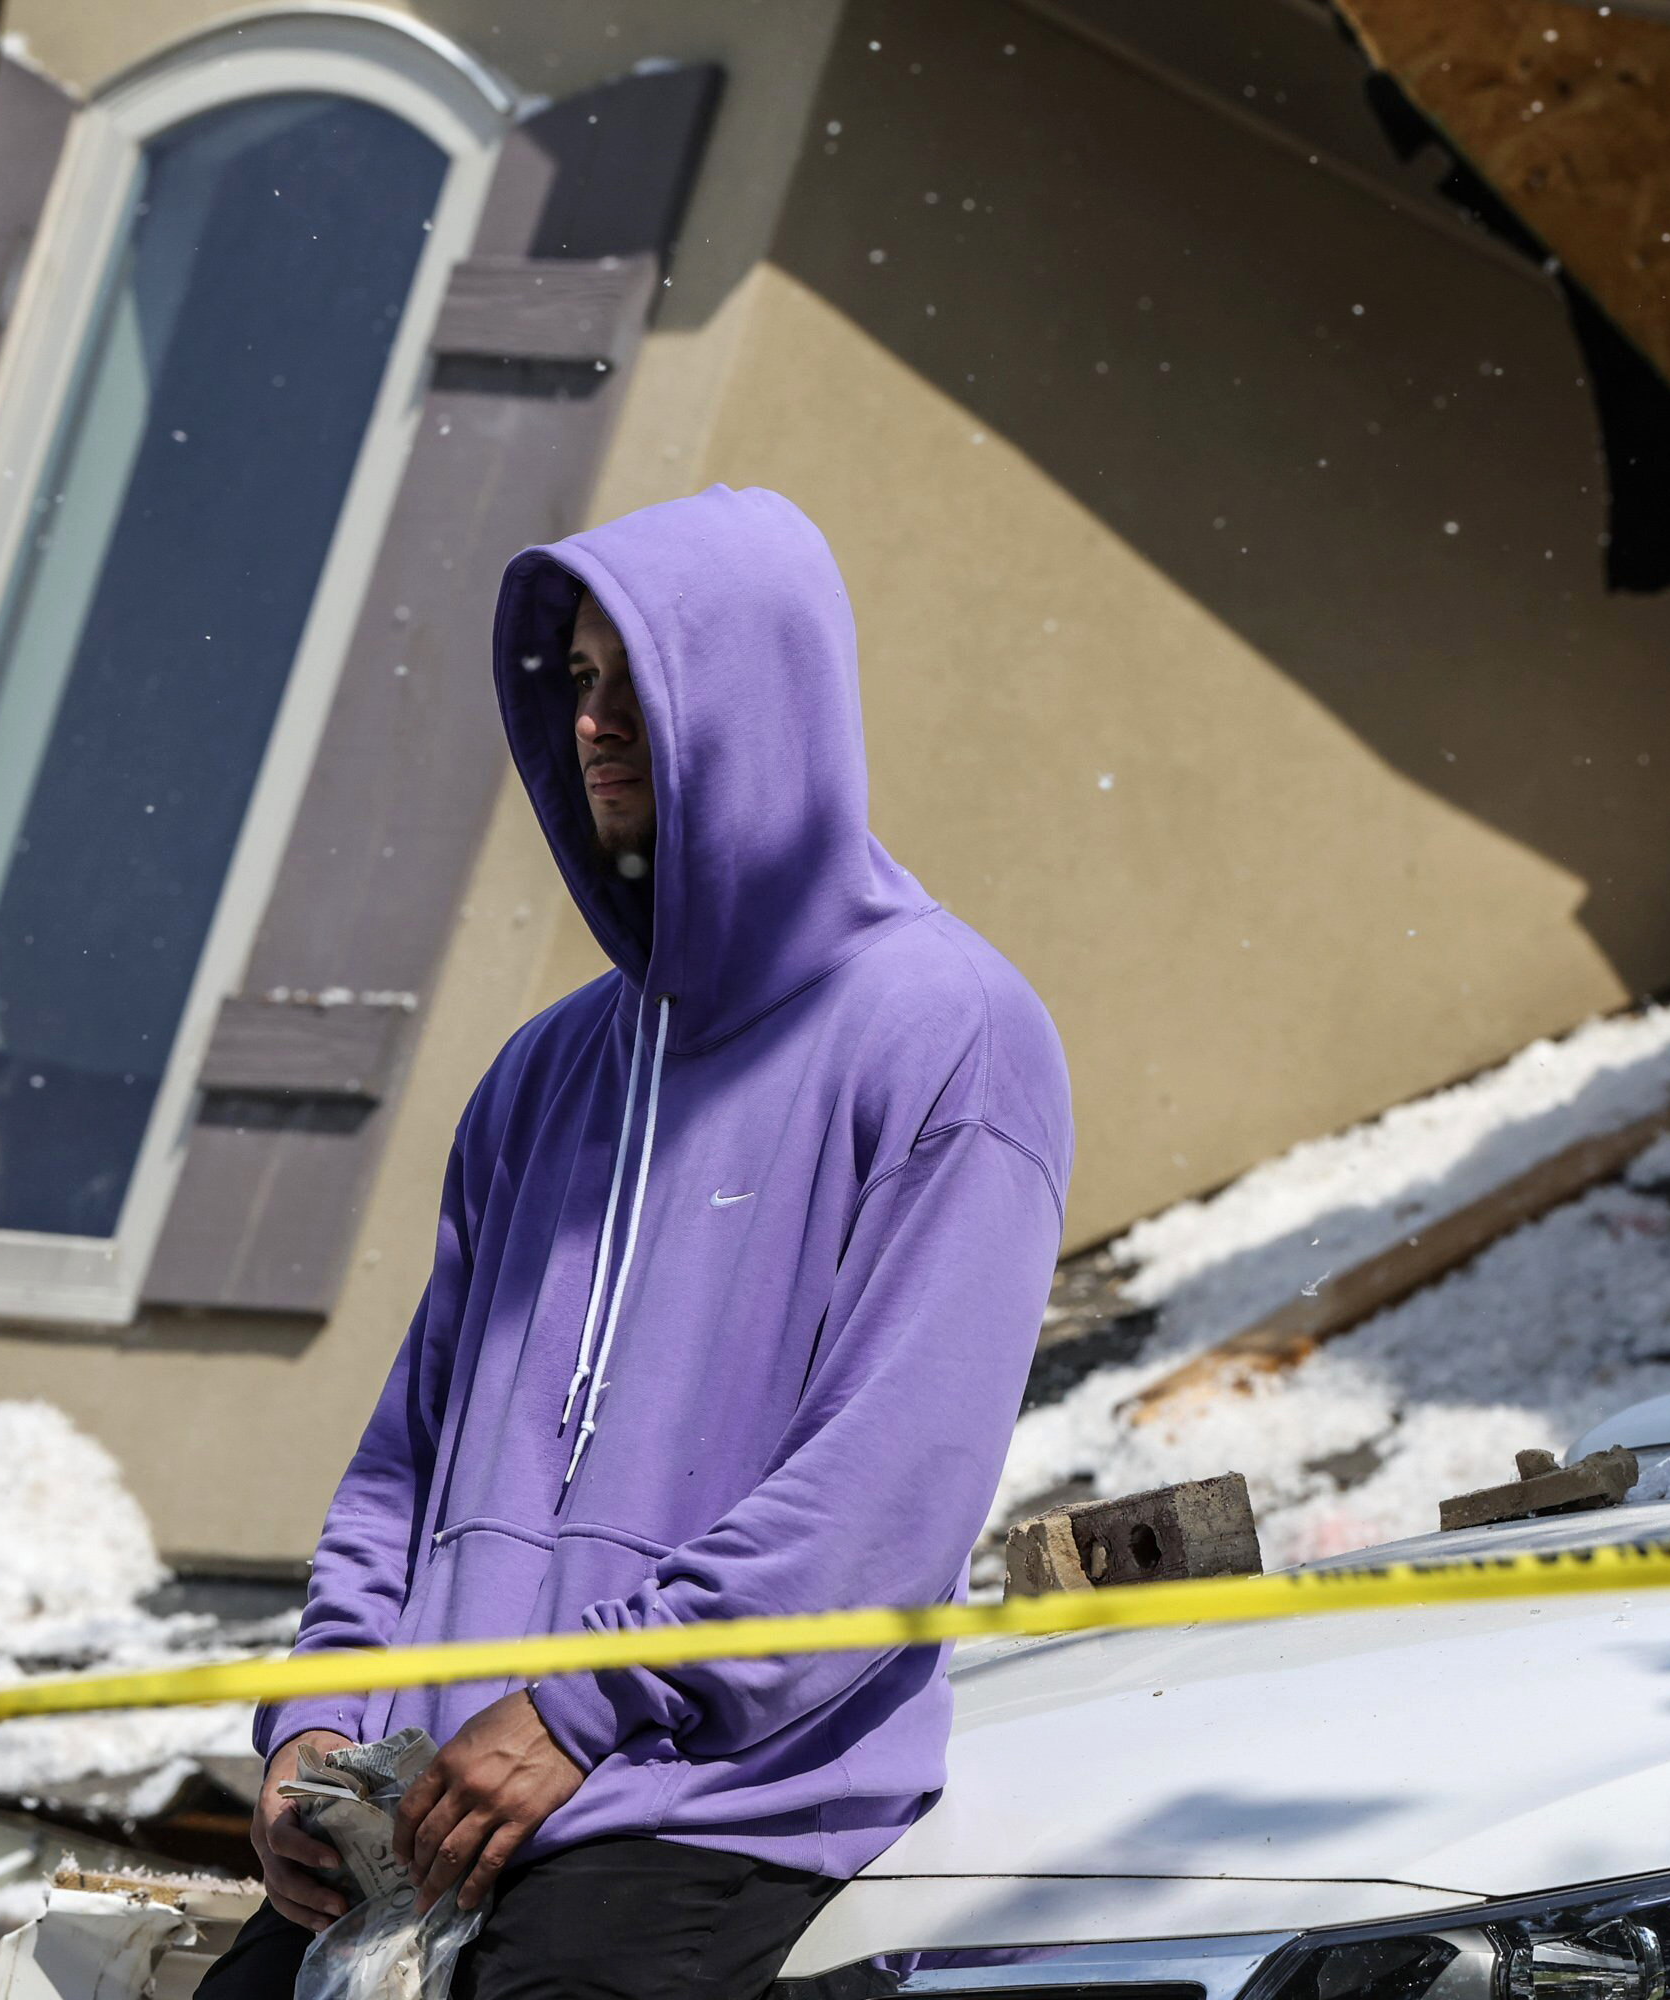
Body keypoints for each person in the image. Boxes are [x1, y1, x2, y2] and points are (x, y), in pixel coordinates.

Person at [195, 485, 1073, 1999]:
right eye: (580, 684)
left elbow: (892, 1483)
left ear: (761, 702)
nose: (595, 724)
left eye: (641, 685)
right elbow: (401, 1469)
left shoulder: (947, 1032)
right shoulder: (544, 1074)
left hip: (710, 1813)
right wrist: (318, 1727)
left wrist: (591, 1707)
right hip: (432, 1811)